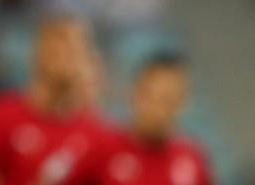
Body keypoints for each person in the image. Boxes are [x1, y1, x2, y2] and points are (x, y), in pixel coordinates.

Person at [0, 16, 108, 185]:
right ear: (36, 55)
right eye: (57, 50)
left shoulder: (99, 135)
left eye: (75, 50)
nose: (66, 58)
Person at [82, 53, 212, 185]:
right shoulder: (101, 151)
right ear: (134, 93)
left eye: (170, 100)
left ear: (183, 102)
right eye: (155, 97)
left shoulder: (193, 159)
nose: (161, 109)